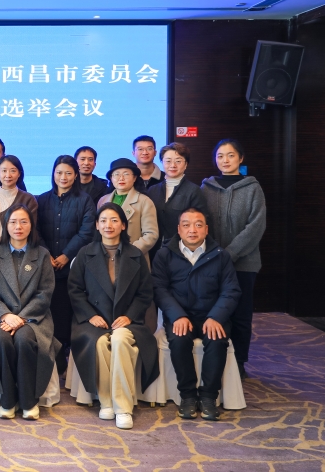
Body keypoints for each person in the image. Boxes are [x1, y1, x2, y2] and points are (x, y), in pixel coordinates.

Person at [68, 203, 158, 430]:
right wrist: (90, 315)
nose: (108, 225)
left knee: (119, 339)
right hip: (93, 321)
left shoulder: (135, 255)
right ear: (97, 226)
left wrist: (129, 316)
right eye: (104, 220)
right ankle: (106, 401)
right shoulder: (85, 253)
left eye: (114, 220)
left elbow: (145, 293)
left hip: (128, 321)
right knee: (99, 342)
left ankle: (123, 407)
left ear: (123, 225)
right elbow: (75, 290)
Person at [152, 208, 241, 421]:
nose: (192, 230)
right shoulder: (164, 254)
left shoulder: (221, 255)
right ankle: (188, 396)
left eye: (198, 225)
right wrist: (177, 315)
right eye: (186, 225)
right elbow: (159, 289)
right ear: (179, 229)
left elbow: (231, 291)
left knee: (217, 340)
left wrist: (216, 317)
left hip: (211, 315)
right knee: (179, 340)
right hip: (180, 316)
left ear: (206, 229)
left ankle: (209, 396)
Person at [0, 204, 57, 420]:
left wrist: (21, 318)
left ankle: (29, 400)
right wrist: (5, 315)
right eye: (13, 222)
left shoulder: (42, 255)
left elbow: (45, 293)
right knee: (0, 340)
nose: (18, 227)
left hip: (34, 318)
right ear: (5, 225)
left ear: (31, 225)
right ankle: (8, 398)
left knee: (24, 339)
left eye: (23, 222)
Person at [201, 139, 266, 379]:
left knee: (241, 313)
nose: (225, 160)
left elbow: (256, 226)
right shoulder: (206, 188)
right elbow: (200, 224)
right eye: (220, 156)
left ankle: (239, 361)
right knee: (214, 311)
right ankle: (216, 359)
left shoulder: (252, 188)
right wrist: (216, 254)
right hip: (211, 262)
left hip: (244, 263)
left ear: (240, 158)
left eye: (230, 155)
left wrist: (229, 254)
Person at [37, 156, 96, 374]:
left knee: (68, 311)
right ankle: (55, 356)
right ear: (53, 174)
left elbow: (86, 232)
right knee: (50, 309)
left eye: (68, 173)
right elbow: (36, 230)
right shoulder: (42, 199)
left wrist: (65, 255)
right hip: (47, 266)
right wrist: (47, 254)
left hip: (73, 266)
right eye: (59, 172)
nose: (63, 177)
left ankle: (70, 358)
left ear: (76, 175)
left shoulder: (85, 200)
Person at [146, 143, 207, 260]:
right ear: (162, 163)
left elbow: (201, 223)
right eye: (168, 161)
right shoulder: (152, 190)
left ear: (186, 164)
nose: (172, 165)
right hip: (154, 251)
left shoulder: (194, 191)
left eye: (178, 161)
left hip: (183, 252)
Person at [98, 158, 159, 261]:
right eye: (116, 174)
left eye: (126, 174)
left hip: (133, 257)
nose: (121, 178)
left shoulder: (144, 201)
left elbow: (151, 234)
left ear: (134, 178)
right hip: (105, 256)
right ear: (111, 178)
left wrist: (130, 252)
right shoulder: (103, 200)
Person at [0, 155, 38, 257]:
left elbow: (30, 229)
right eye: (4, 171)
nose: (8, 175)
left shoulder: (29, 199)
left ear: (19, 174)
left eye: (13, 171)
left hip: (19, 254)